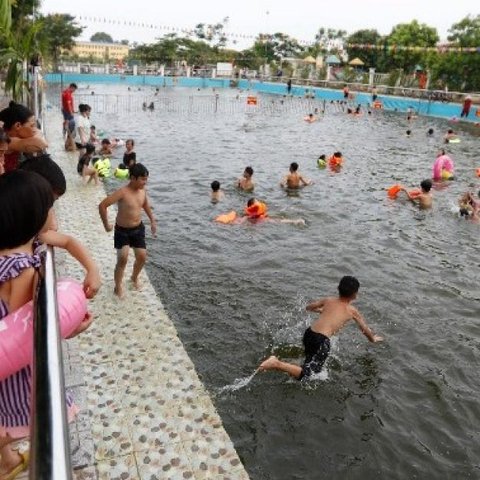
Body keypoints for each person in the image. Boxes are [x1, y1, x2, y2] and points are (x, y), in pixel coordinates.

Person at [0, 170, 100, 478]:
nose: (53, 213)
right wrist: (71, 329)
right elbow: (23, 337)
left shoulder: (18, 247)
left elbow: (67, 240)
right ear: (33, 218)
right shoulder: (23, 272)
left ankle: (8, 461)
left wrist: (92, 270)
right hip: (13, 374)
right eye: (49, 207)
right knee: (15, 422)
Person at [259, 276, 383, 380]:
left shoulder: (328, 300)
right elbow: (364, 329)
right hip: (321, 341)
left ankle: (290, 367)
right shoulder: (351, 310)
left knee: (308, 361)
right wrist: (372, 339)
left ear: (338, 288)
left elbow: (309, 307)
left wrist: (322, 311)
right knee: (309, 375)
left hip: (309, 333)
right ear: (355, 295)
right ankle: (276, 363)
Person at [98, 163, 157, 298]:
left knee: (142, 256)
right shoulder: (122, 192)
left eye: (146, 179)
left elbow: (145, 205)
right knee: (123, 258)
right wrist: (106, 225)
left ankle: (134, 277)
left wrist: (153, 220)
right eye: (142, 179)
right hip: (122, 231)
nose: (145, 182)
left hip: (137, 229)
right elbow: (102, 205)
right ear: (132, 178)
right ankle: (117, 285)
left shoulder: (142, 191)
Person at [0, 101, 48, 172]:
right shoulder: (7, 140)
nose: (35, 130)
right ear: (18, 126)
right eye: (32, 125)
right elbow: (43, 144)